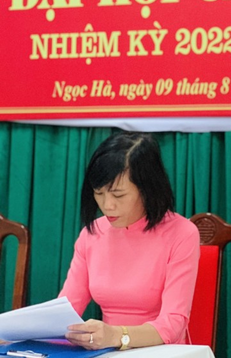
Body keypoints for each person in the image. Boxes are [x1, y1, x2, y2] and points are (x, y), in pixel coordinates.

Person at [59, 132, 200, 350]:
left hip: (162, 351)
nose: (107, 205)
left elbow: (173, 323)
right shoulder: (92, 233)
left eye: (119, 195)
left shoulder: (182, 233)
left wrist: (117, 336)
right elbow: (65, 310)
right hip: (107, 352)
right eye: (99, 193)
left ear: (147, 189)